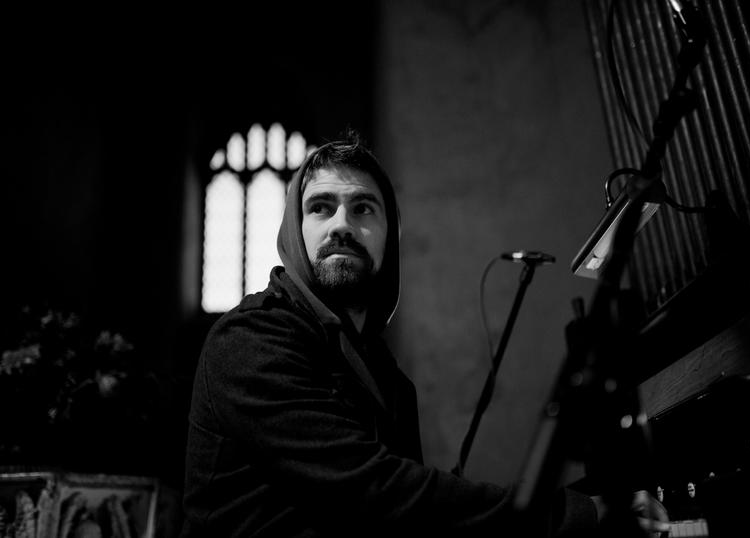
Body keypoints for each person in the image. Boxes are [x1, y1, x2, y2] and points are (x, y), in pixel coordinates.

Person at [181, 132, 669, 537]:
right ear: (294, 229)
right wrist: (581, 516)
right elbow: (376, 490)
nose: (342, 225)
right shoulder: (251, 338)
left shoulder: (383, 374)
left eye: (363, 209)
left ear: (390, 235)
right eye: (320, 208)